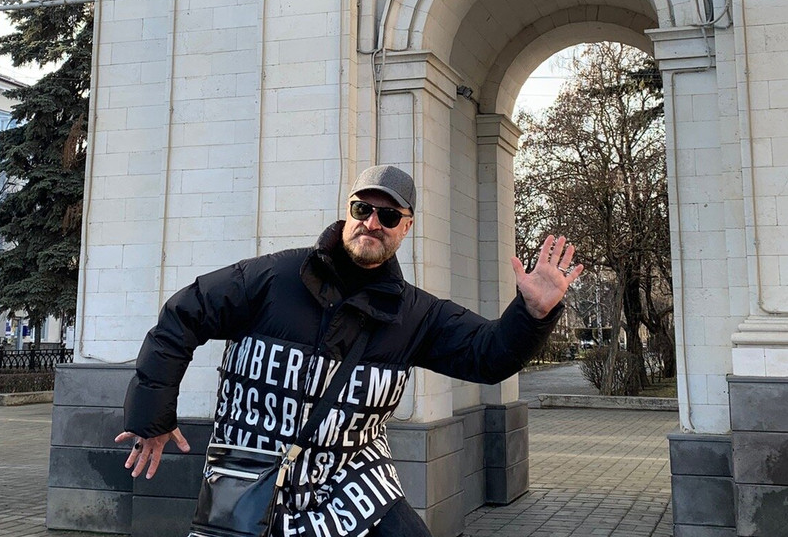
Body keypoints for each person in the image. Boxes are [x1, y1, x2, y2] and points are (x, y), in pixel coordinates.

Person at [116, 165, 583, 537]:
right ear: (348, 211)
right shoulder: (272, 279)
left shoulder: (415, 314)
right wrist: (152, 415)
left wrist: (532, 312)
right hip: (251, 484)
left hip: (355, 485)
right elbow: (184, 312)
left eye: (390, 216)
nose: (373, 223)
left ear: (407, 227)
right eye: (364, 208)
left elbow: (488, 355)